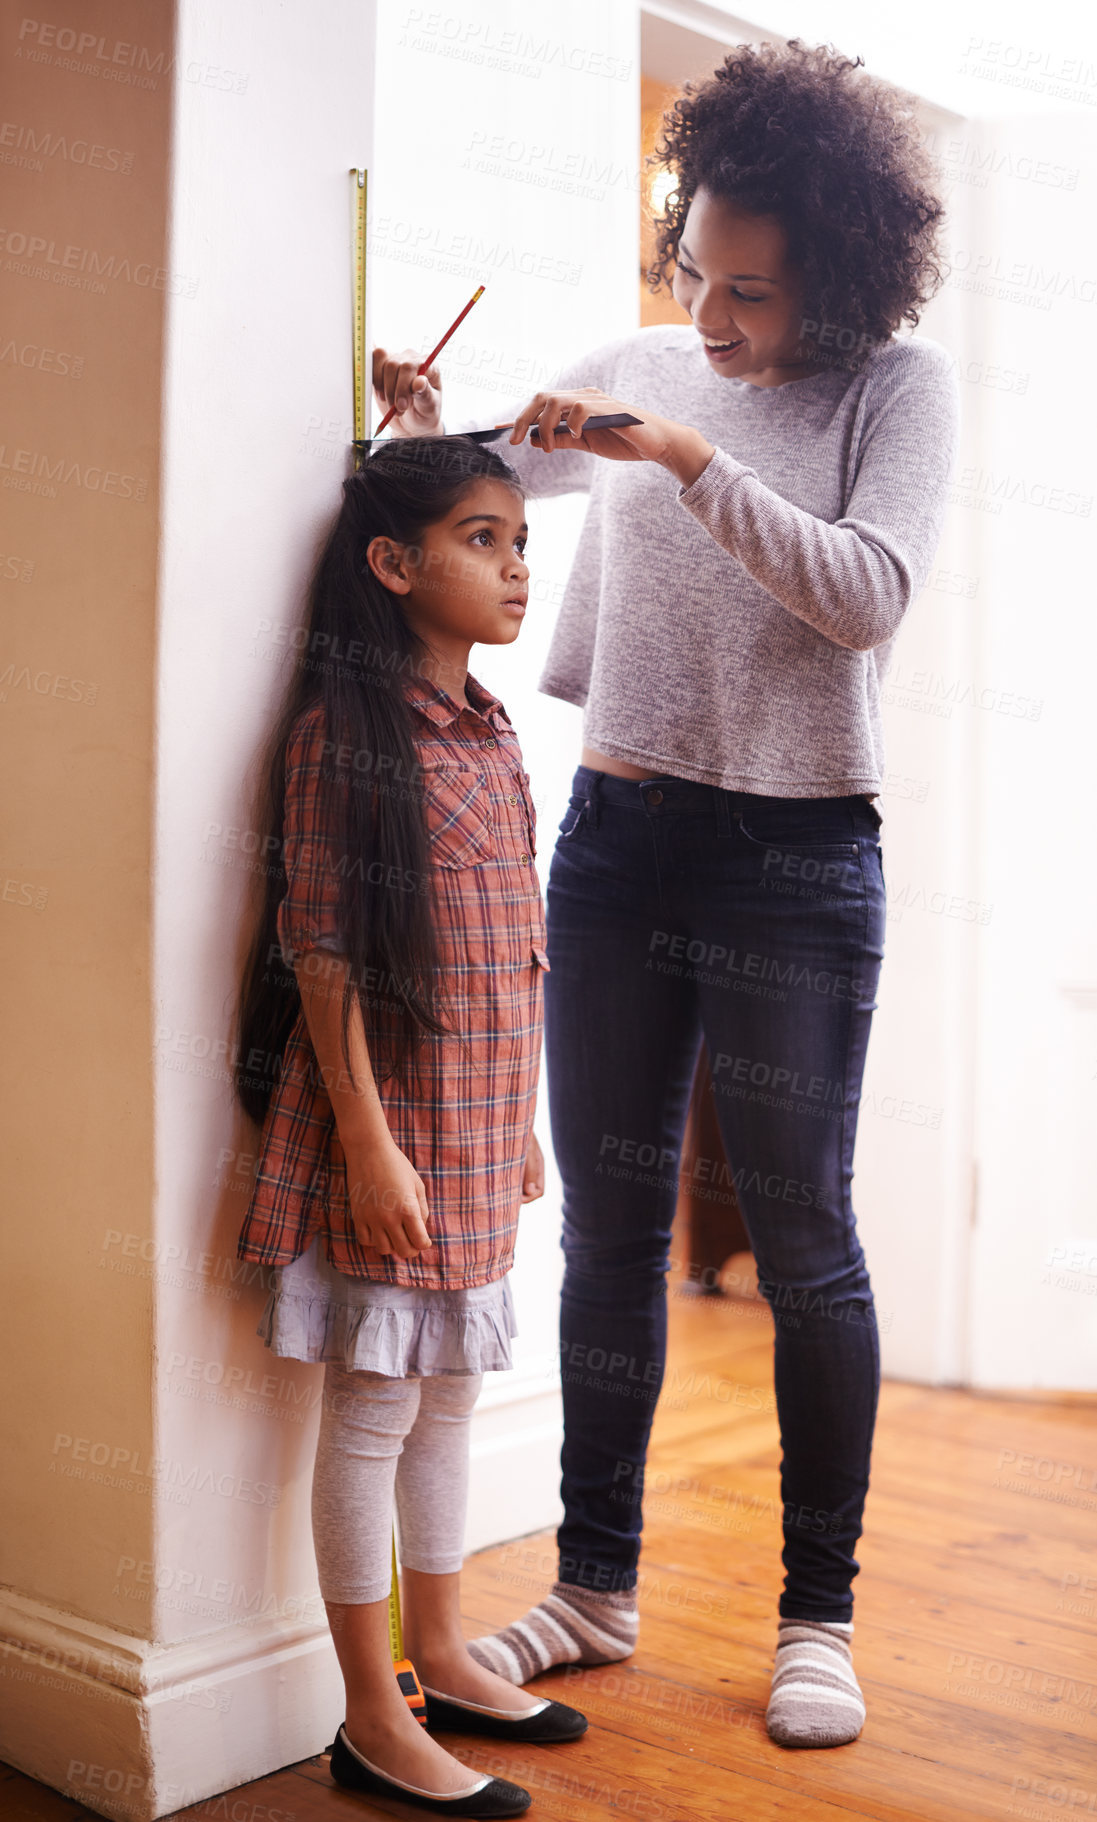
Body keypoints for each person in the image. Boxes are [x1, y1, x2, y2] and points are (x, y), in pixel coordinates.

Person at [371, 38, 961, 1750]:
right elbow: (470, 489)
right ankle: (597, 1582)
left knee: (804, 1243)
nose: (709, 322)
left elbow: (864, 597)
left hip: (795, 861)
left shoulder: (891, 393)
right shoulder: (640, 355)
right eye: (694, 272)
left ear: (835, 279)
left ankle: (815, 1615)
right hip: (622, 844)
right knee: (613, 1233)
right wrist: (423, 420)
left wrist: (688, 455)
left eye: (751, 296)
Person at [231, 436, 589, 1818]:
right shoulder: (345, 734)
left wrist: (523, 1124)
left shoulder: (492, 727)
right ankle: (369, 1717)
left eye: (515, 538)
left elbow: (518, 950)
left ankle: (442, 1650)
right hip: (388, 1132)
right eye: (482, 539)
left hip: (483, 1115)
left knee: (449, 1395)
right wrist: (371, 1146)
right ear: (393, 566)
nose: (516, 564)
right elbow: (320, 952)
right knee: (375, 1403)